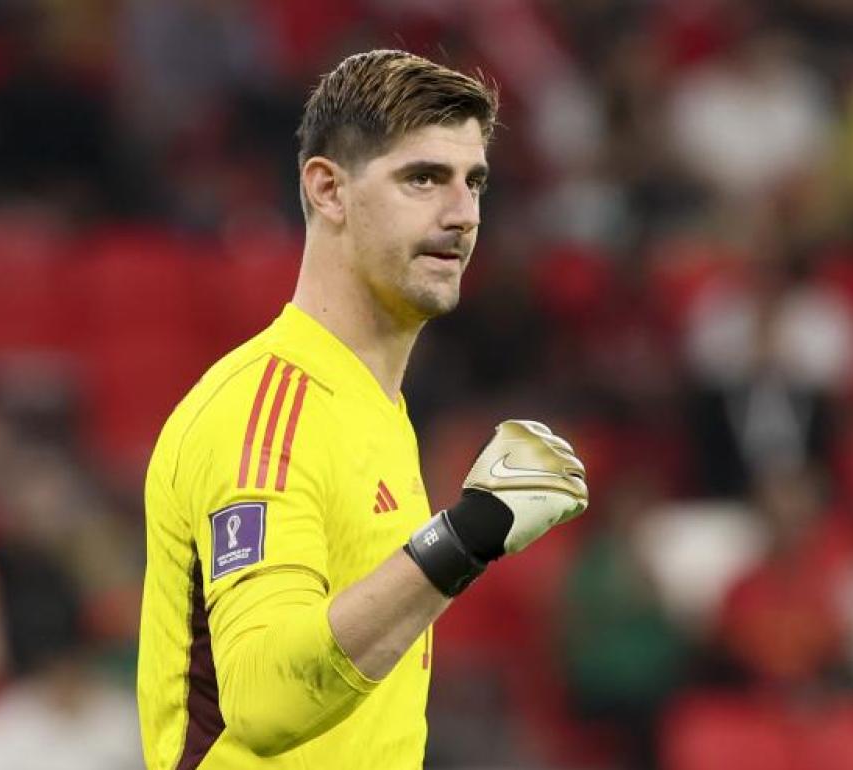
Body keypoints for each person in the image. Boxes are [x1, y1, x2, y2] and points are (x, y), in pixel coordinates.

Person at [136, 50, 589, 770]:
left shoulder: (376, 409)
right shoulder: (264, 410)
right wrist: (467, 535)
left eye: (473, 183)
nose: (463, 214)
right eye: (422, 179)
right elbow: (262, 697)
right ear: (328, 190)